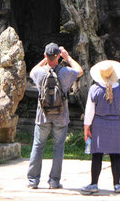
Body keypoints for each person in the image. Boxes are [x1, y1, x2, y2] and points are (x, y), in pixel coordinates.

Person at [27, 42, 83, 189]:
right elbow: (80, 70)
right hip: (61, 116)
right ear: (58, 56)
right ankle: (54, 181)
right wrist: (67, 57)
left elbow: (32, 70)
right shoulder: (65, 72)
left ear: (45, 55)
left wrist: (45, 59)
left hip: (43, 116)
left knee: (38, 146)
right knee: (59, 148)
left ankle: (33, 181)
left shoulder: (39, 72)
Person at [80, 60, 120, 195]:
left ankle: (94, 184)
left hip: (99, 125)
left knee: (97, 155)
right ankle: (117, 184)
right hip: (117, 125)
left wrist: (86, 128)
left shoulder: (95, 89)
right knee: (115, 155)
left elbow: (89, 111)